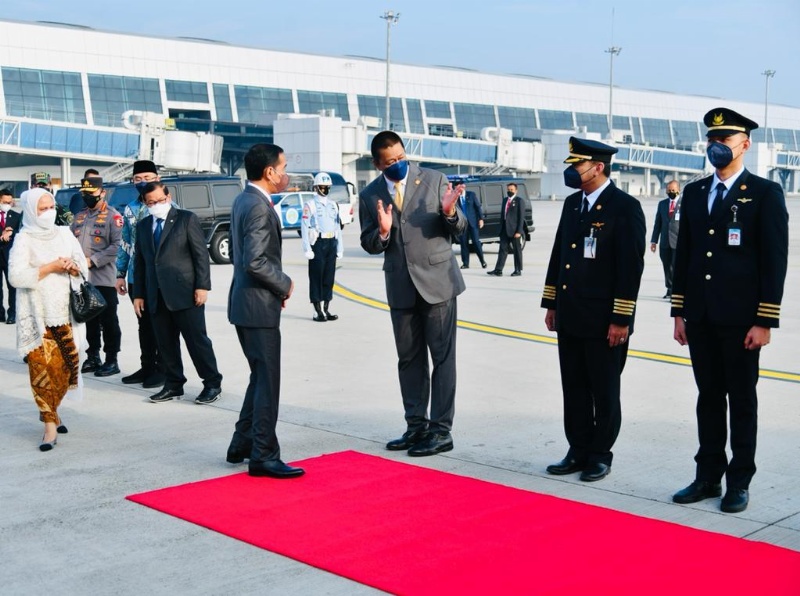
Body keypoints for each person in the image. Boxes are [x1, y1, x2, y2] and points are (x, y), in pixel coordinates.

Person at [671, 108, 788, 514]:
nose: (716, 146)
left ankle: (738, 481)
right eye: (712, 139)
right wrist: (680, 311)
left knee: (741, 400)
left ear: (745, 144)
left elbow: (775, 260)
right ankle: (706, 477)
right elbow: (684, 255)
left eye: (726, 139)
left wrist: (765, 319)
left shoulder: (764, 193)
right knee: (707, 399)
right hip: (700, 317)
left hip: (741, 321)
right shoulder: (696, 192)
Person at [541, 137, 646, 482]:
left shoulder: (624, 207)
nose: (571, 171)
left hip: (603, 321)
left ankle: (600, 453)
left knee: (604, 390)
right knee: (573, 387)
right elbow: (560, 256)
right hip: (571, 315)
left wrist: (621, 319)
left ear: (598, 167)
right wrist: (551, 303)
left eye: (577, 165)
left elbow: (630, 269)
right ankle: (578, 448)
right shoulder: (572, 204)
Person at [359, 130, 467, 457]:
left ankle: (440, 430)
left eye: (401, 158)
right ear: (379, 164)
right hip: (401, 286)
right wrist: (381, 232)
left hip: (438, 282)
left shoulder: (434, 180)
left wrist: (449, 212)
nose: (398, 165)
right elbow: (369, 243)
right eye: (390, 162)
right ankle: (415, 426)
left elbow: (459, 228)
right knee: (409, 360)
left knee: (442, 358)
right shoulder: (371, 194)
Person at [227, 143, 304, 478]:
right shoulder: (257, 206)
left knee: (259, 377)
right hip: (257, 307)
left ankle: (242, 444)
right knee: (268, 382)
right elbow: (255, 261)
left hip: (247, 303)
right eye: (283, 167)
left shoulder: (245, 199)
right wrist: (283, 284)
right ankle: (264, 455)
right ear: (269, 172)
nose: (286, 173)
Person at [8, 188, 88, 451]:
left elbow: (82, 267)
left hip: (65, 315)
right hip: (38, 318)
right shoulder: (24, 238)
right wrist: (49, 268)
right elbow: (16, 276)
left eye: (50, 207)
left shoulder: (65, 234)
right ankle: (49, 425)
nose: (47, 212)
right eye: (42, 209)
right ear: (31, 211)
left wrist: (72, 266)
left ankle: (55, 409)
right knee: (42, 372)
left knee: (66, 371)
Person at [133, 182, 222, 405]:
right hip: (156, 295)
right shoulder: (143, 226)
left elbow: (200, 255)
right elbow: (141, 263)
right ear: (145, 203)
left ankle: (212, 383)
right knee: (165, 343)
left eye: (160, 200)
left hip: (186, 292)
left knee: (196, 341)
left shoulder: (186, 219)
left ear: (168, 196)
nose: (156, 205)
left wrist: (203, 286)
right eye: (151, 202)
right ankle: (173, 385)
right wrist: (139, 294)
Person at [115, 160, 164, 388]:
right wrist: (120, 273)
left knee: (160, 325)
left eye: (147, 177)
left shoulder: (164, 205)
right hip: (136, 277)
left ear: (157, 178)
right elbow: (125, 242)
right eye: (137, 178)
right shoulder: (130, 209)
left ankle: (162, 369)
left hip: (160, 278)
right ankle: (147, 367)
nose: (142, 182)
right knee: (143, 325)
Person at [70, 176, 123, 377]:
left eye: (90, 194)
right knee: (88, 319)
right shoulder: (79, 216)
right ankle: (93, 356)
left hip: (103, 279)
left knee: (109, 321)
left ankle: (111, 359)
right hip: (82, 279)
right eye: (84, 194)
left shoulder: (113, 217)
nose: (87, 198)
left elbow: (117, 246)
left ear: (102, 193)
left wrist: (92, 261)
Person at [301, 172, 343, 322]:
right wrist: (307, 248)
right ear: (316, 187)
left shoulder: (333, 205)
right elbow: (305, 227)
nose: (325, 189)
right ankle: (317, 310)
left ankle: (326, 308)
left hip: (331, 242)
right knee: (316, 277)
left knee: (328, 277)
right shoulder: (310, 205)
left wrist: (340, 247)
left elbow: (338, 226)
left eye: (327, 187)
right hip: (318, 243)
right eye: (322, 187)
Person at [650, 180, 682, 299]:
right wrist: (654, 241)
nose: (671, 192)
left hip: (678, 242)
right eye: (669, 190)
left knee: (675, 266)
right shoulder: (662, 204)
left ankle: (675, 291)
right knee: (667, 266)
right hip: (664, 242)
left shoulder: (684, 204)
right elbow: (657, 224)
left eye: (673, 190)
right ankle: (669, 289)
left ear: (679, 190)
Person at [487, 182, 526, 277]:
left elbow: (521, 218)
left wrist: (519, 231)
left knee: (517, 250)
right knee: (502, 250)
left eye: (512, 190)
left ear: (516, 190)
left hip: (514, 230)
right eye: (508, 190)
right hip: (504, 229)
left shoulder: (519, 201)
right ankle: (498, 270)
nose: (510, 191)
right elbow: (503, 215)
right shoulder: (505, 200)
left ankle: (518, 270)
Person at [0, 188, 20, 324]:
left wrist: (11, 233)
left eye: (9, 202)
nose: (7, 204)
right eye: (4, 202)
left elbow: (21, 235)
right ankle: (0, 314)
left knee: (12, 286)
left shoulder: (16, 216)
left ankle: (12, 314)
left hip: (10, 256)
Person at [457, 186, 486, 269]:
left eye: (460, 187)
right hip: (462, 224)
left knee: (476, 242)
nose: (459, 189)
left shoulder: (471, 195)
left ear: (464, 187)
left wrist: (481, 219)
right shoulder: (455, 198)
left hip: (472, 223)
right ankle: (465, 263)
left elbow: (478, 207)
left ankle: (482, 261)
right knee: (463, 244)